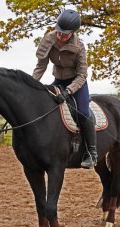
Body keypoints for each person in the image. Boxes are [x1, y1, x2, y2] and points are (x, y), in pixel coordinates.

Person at [32, 9, 97, 169]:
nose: (60, 36)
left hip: (76, 82)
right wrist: (31, 84)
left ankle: (92, 153)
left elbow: (82, 75)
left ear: (73, 33)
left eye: (65, 34)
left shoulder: (80, 47)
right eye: (59, 31)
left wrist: (68, 91)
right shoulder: (48, 39)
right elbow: (41, 66)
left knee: (82, 111)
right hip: (58, 79)